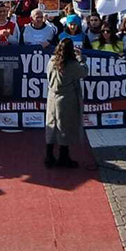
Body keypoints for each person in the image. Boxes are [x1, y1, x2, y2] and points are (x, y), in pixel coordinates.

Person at [44, 38, 86, 169]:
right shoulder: (71, 64)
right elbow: (84, 72)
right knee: (64, 128)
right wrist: (81, 59)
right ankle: (63, 157)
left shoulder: (51, 61)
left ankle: (49, 156)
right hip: (66, 98)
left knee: (51, 125)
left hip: (52, 96)